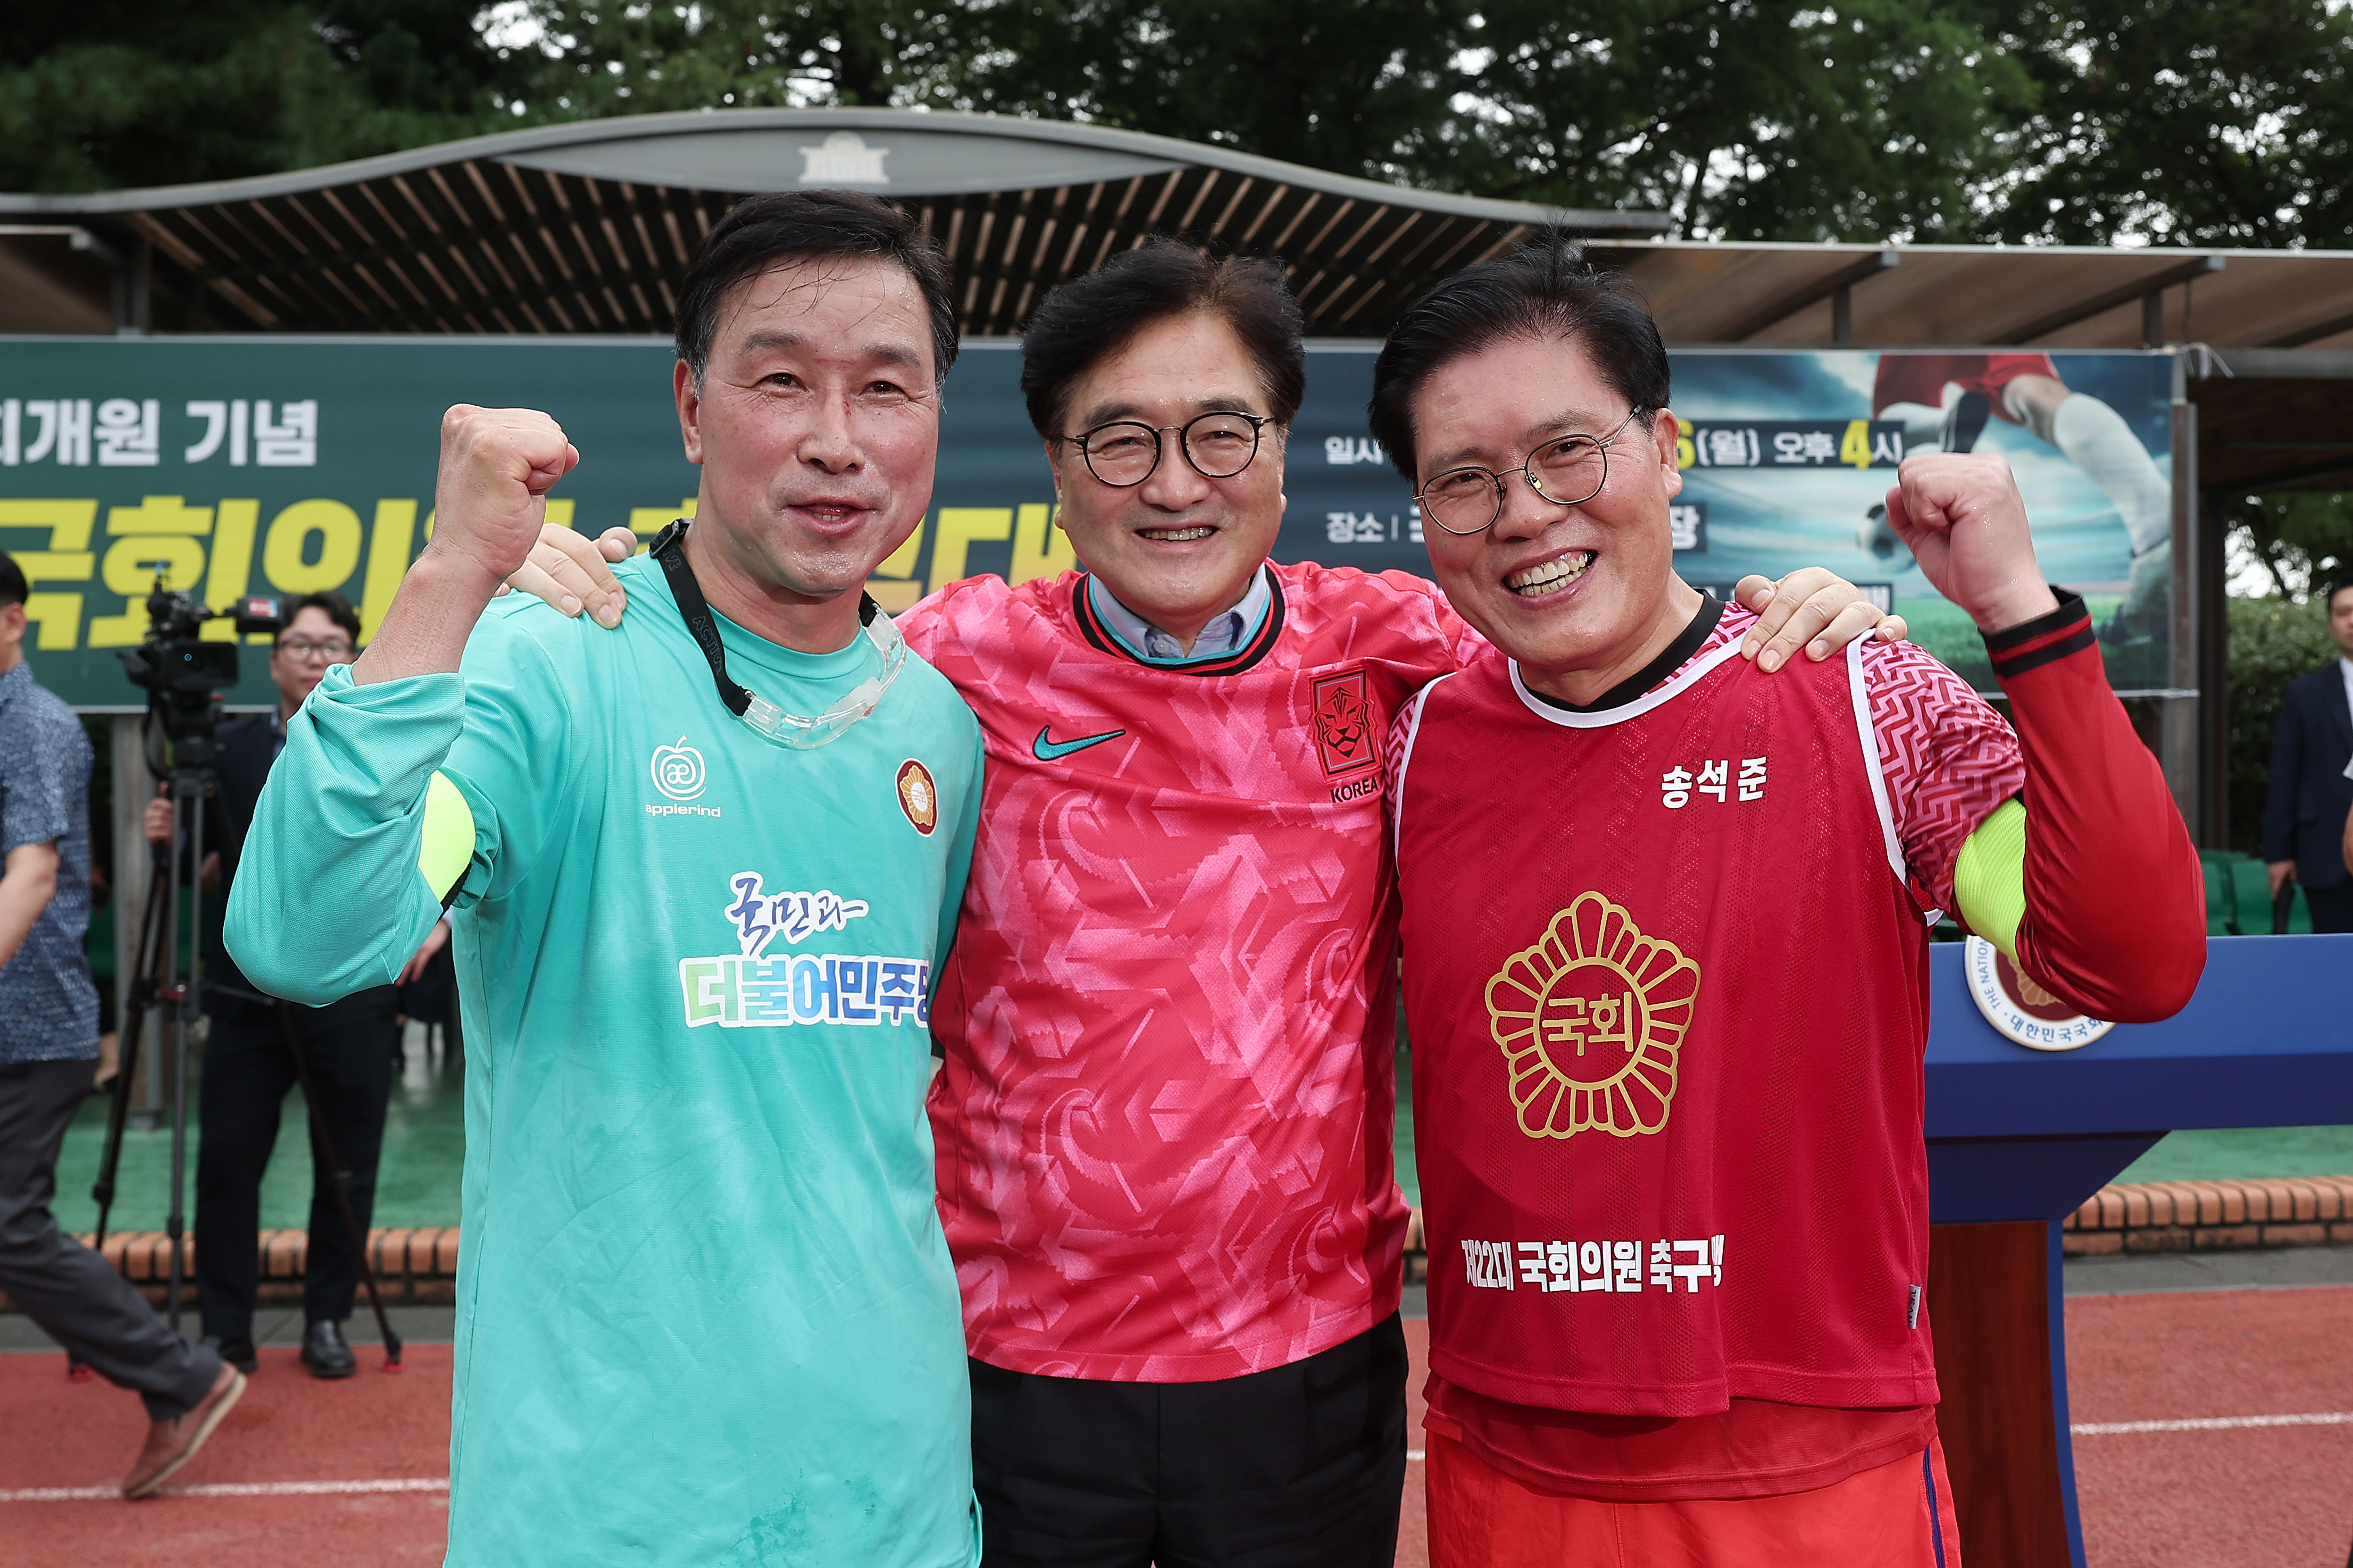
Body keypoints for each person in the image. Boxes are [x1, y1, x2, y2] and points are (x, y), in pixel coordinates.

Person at [514, 237, 1901, 1566]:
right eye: (1120, 439)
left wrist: (1809, 608)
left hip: (1301, 1377)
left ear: (1283, 451)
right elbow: (750, 652)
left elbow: (1616, 647)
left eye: (1222, 433)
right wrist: (596, 577)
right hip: (1012, 1373)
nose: (1174, 483)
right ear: (1057, 467)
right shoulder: (943, 668)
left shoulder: (1401, 650)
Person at [1370, 237, 2207, 1564]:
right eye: (1463, 481)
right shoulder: (1412, 749)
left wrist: (2015, 608)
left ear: (1666, 446)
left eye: (1569, 451)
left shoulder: (1862, 695)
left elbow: (2131, 962)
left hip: (1815, 1470)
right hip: (1505, 1453)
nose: (1523, 511)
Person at [224, 190, 986, 1565]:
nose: (835, 438)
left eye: (886, 388)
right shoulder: (547, 665)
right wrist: (457, 570)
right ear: (692, 407)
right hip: (604, 1515)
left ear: (938, 414)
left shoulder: (941, 724)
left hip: (899, 1504)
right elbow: (307, 934)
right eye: (780, 380)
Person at [141, 591, 441, 1379]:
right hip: (244, 995)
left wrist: (434, 924)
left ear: (354, 657)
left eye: (332, 643)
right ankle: (226, 1333)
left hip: (354, 995)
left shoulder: (391, 749)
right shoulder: (230, 748)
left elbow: (446, 833)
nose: (315, 656)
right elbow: (204, 874)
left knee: (347, 1161)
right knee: (230, 1158)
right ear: (273, 660)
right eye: (300, 644)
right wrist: (172, 843)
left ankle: (327, 1320)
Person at [0, 549, 245, 1499]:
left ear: (15, 618)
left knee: (11, 1227)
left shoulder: (34, 727)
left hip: (32, 1025)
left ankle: (184, 1374)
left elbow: (31, 872)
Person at [1858, 352, 2173, 642]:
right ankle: (2156, 523)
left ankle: (1938, 429)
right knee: (2037, 396)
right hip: (1993, 316)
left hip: (1926, 317)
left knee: (1891, 418)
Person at [2263, 578, 2353, 934]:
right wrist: (2279, 853)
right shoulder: (2306, 694)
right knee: (2335, 969)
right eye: (2343, 612)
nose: (2352, 621)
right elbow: (2285, 776)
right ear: (2330, 624)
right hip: (2325, 855)